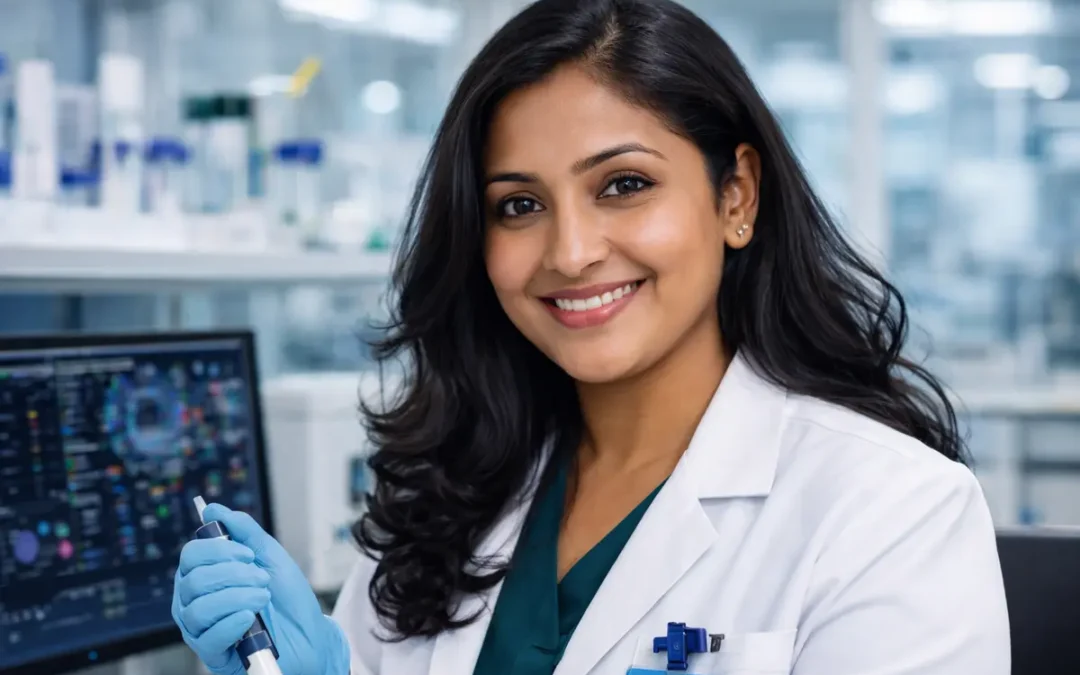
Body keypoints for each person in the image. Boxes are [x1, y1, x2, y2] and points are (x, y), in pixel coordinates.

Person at [171, 0, 1011, 673]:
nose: (571, 252)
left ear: (737, 197)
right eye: (519, 205)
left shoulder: (890, 513)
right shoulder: (459, 482)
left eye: (624, 184)